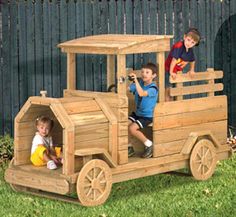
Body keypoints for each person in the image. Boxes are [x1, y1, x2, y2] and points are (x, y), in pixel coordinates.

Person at [128, 62, 158, 158]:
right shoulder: (140, 83)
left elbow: (141, 93)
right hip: (138, 113)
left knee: (132, 128)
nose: (144, 74)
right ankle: (129, 147)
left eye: (147, 72)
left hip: (147, 116)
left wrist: (136, 81)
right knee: (122, 124)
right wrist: (127, 80)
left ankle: (149, 145)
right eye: (142, 72)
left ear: (153, 75)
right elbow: (128, 88)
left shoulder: (153, 88)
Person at [165, 27, 201, 101]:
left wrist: (191, 70)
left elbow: (192, 60)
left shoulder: (190, 49)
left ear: (195, 44)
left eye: (192, 43)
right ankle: (167, 106)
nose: (189, 43)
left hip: (177, 72)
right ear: (184, 37)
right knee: (168, 90)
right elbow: (174, 60)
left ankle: (175, 106)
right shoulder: (179, 46)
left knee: (176, 91)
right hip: (167, 69)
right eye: (188, 40)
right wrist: (171, 72)